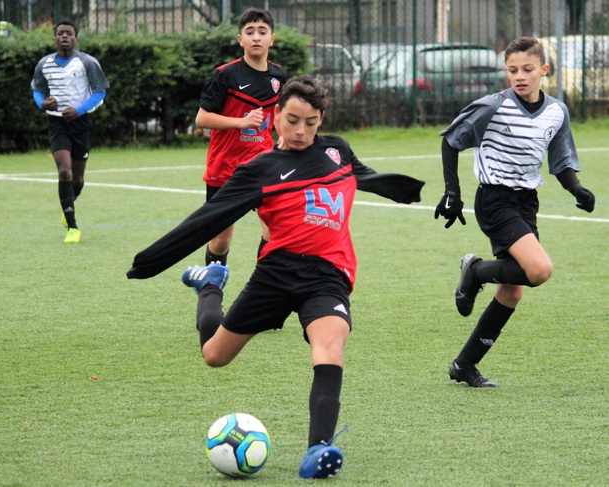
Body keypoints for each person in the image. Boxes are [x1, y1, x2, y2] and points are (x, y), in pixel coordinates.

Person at [128, 76, 425, 478]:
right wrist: (151, 261)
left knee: (330, 346)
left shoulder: (337, 150)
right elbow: (206, 219)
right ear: (275, 116)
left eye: (311, 122)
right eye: (292, 120)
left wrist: (411, 192)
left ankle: (318, 450)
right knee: (215, 356)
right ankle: (211, 283)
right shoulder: (259, 170)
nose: (301, 131)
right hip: (276, 274)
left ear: (322, 120)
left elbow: (366, 176)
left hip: (327, 275)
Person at [434, 37, 595, 388]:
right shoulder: (492, 106)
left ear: (544, 70)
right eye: (512, 70)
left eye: (527, 69)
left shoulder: (556, 112)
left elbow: (561, 161)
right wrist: (452, 193)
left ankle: (464, 365)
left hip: (526, 203)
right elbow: (451, 140)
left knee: (512, 290)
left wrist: (577, 189)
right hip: (495, 200)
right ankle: (475, 270)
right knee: (538, 271)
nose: (519, 76)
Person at [195, 7, 287, 266]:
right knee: (221, 240)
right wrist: (241, 122)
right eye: (250, 32)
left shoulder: (279, 76)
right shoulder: (226, 74)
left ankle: (263, 287)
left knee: (274, 229)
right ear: (240, 40)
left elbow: (280, 114)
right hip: (224, 168)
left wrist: (284, 138)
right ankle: (212, 291)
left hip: (263, 165)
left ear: (272, 38)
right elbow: (202, 119)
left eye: (262, 32)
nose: (256, 37)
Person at [31, 19, 109, 244]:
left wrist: (79, 110)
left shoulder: (87, 63)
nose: (64, 36)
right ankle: (72, 226)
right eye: (60, 33)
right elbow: (38, 90)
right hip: (57, 125)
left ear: (76, 38)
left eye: (69, 33)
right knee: (64, 171)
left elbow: (99, 93)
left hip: (81, 124)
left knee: (78, 179)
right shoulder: (44, 64)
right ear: (54, 38)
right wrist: (43, 104)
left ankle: (68, 204)